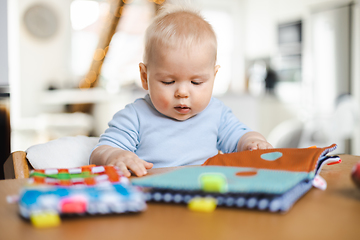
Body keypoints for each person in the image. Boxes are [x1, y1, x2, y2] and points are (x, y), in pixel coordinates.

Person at [90, 4, 273, 177]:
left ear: (213, 77)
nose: (183, 93)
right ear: (145, 77)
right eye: (168, 82)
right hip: (154, 195)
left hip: (205, 192)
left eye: (196, 82)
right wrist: (114, 156)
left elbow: (241, 137)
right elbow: (100, 152)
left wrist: (254, 142)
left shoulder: (217, 114)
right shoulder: (135, 116)